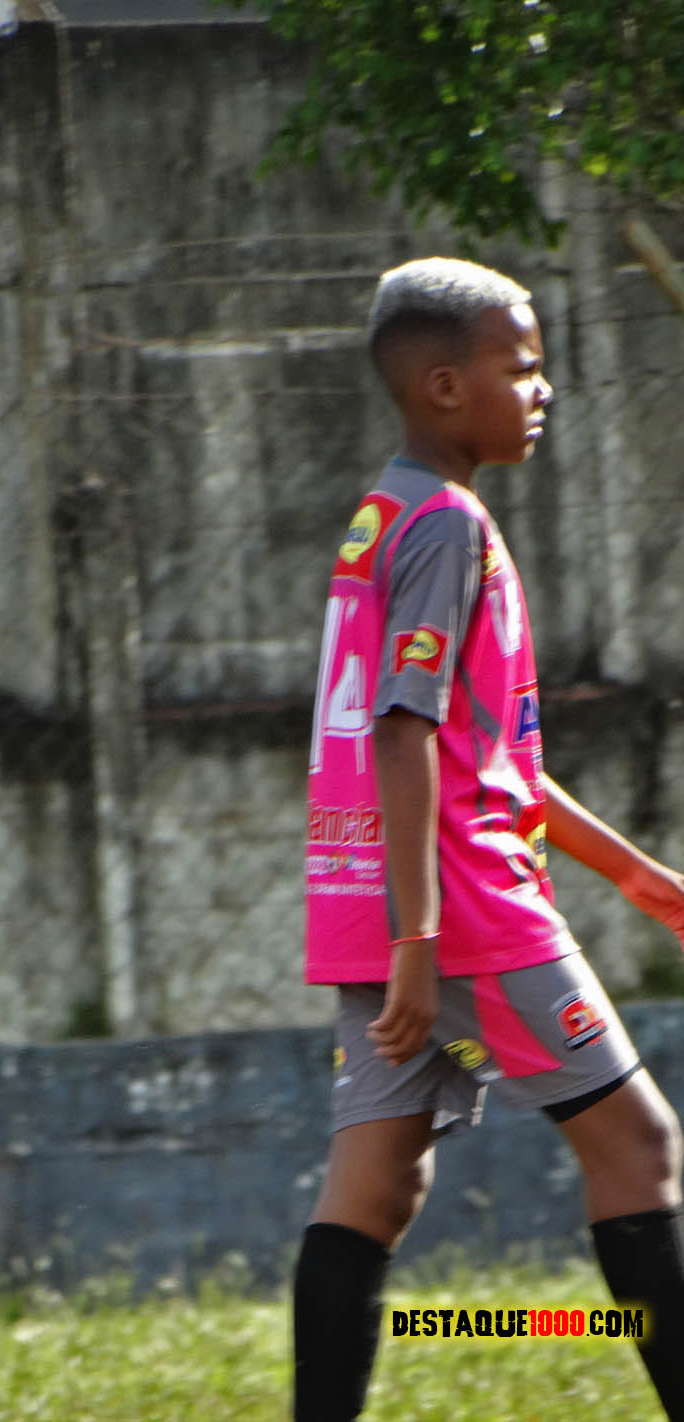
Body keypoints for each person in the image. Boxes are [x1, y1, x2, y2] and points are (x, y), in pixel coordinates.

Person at [296, 256, 684, 1420]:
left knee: (372, 1187)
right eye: (519, 368)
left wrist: (629, 872)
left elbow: (485, 755)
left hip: (378, 903)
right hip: (462, 911)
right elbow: (402, 732)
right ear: (442, 386)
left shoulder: (382, 516)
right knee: (638, 1148)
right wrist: (421, 940)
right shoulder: (446, 529)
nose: (540, 387)